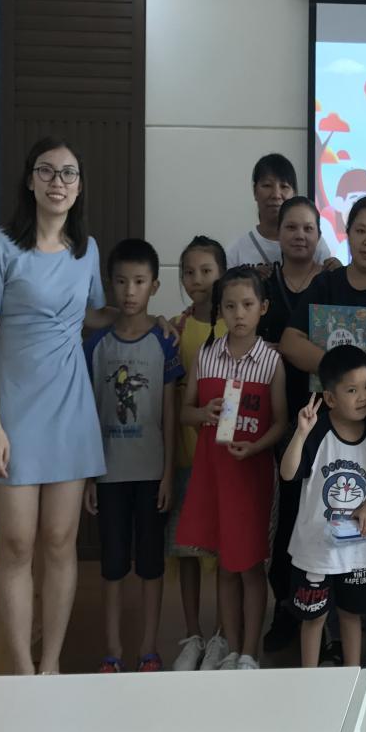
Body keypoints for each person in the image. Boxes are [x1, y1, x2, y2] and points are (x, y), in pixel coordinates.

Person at [0, 138, 108, 674]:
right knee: (17, 544)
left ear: (79, 185)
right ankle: (22, 672)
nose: (58, 182)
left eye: (69, 173)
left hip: (70, 411)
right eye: (47, 171)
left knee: (60, 541)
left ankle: (50, 666)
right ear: (30, 180)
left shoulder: (86, 250)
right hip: (14, 414)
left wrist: (141, 317)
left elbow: (91, 315)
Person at [280, 195, 366, 677]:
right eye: (361, 230)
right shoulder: (327, 284)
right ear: (348, 232)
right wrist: (340, 371)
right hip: (327, 429)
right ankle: (331, 639)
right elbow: (290, 341)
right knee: (325, 522)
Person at [177, 267, 289, 670]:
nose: (239, 314)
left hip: (252, 478)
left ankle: (250, 653)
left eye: (247, 304)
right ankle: (229, 646)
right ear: (220, 310)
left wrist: (255, 446)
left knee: (251, 567)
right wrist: (202, 413)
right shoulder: (206, 356)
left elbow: (281, 422)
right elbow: (185, 412)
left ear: (263, 308)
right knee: (225, 565)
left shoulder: (271, 361)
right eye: (230, 306)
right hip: (213, 475)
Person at [83, 238, 183, 673]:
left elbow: (170, 414)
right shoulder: (96, 345)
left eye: (139, 281)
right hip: (107, 473)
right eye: (121, 281)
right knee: (111, 566)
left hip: (151, 472)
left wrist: (167, 474)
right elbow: (87, 411)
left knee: (150, 564)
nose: (129, 291)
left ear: (154, 286)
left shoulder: (165, 342)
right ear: (110, 284)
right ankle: (112, 650)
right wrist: (88, 475)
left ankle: (147, 649)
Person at [280, 345, 366, 669]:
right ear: (330, 398)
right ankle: (309, 683)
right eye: (351, 390)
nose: (363, 397)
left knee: (352, 616)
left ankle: (353, 682)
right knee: (314, 618)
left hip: (357, 549)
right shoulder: (317, 432)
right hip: (316, 549)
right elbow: (287, 473)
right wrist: (300, 434)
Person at [258, 196, 326, 655]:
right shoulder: (264, 284)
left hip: (321, 415)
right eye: (292, 227)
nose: (300, 235)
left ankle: (322, 608)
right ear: (277, 233)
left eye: (308, 228)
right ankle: (285, 605)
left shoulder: (331, 282)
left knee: (318, 510)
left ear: (319, 235)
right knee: (279, 519)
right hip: (271, 417)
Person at [167, 236, 231, 672]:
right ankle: (193, 633)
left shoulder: (236, 325)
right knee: (186, 549)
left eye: (207, 271)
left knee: (226, 553)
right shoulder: (177, 329)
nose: (198, 280)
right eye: (189, 272)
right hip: (187, 455)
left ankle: (223, 635)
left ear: (222, 273)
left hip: (225, 460)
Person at [225, 153, 334, 271]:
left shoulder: (313, 245)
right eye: (267, 185)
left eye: (284, 186)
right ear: (255, 192)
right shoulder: (236, 251)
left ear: (294, 193)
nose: (276, 195)